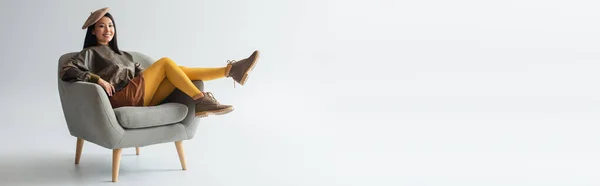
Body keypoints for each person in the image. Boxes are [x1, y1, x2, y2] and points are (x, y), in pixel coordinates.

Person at [59, 7, 259, 117]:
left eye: (110, 25)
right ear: (93, 31)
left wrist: (167, 76)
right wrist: (98, 80)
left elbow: (146, 74)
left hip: (140, 96)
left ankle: (231, 71)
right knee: (165, 63)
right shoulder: (89, 53)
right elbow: (66, 70)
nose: (107, 30)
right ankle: (202, 98)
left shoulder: (125, 55)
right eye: (101, 26)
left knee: (176, 70)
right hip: (122, 97)